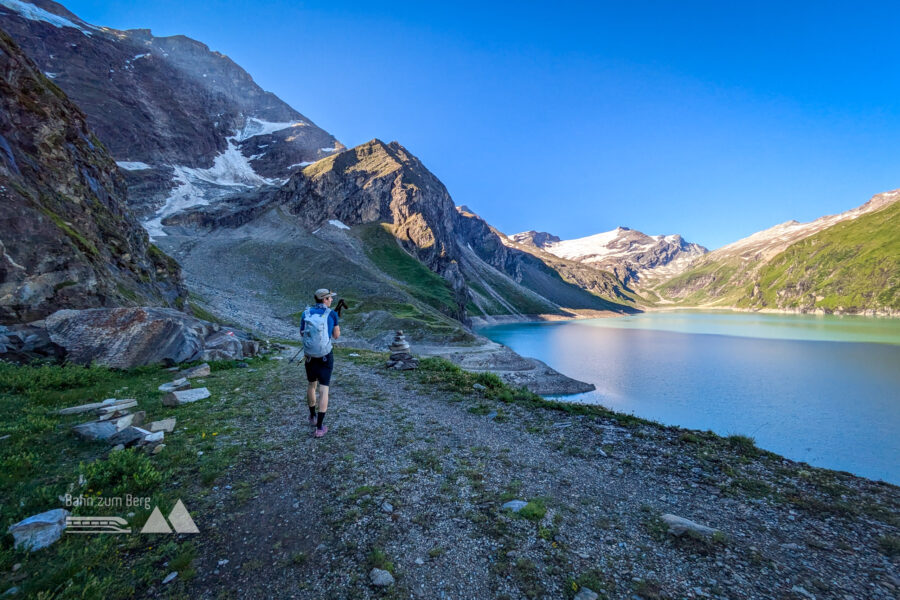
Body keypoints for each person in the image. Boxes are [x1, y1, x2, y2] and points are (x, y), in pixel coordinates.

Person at [300, 288, 341, 438]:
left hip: (310, 356)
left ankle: (312, 417)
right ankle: (319, 428)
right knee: (324, 390)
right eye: (330, 298)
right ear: (324, 299)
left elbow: (302, 332)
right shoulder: (332, 314)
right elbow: (336, 336)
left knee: (312, 385)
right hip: (325, 356)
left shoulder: (306, 313)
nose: (331, 300)